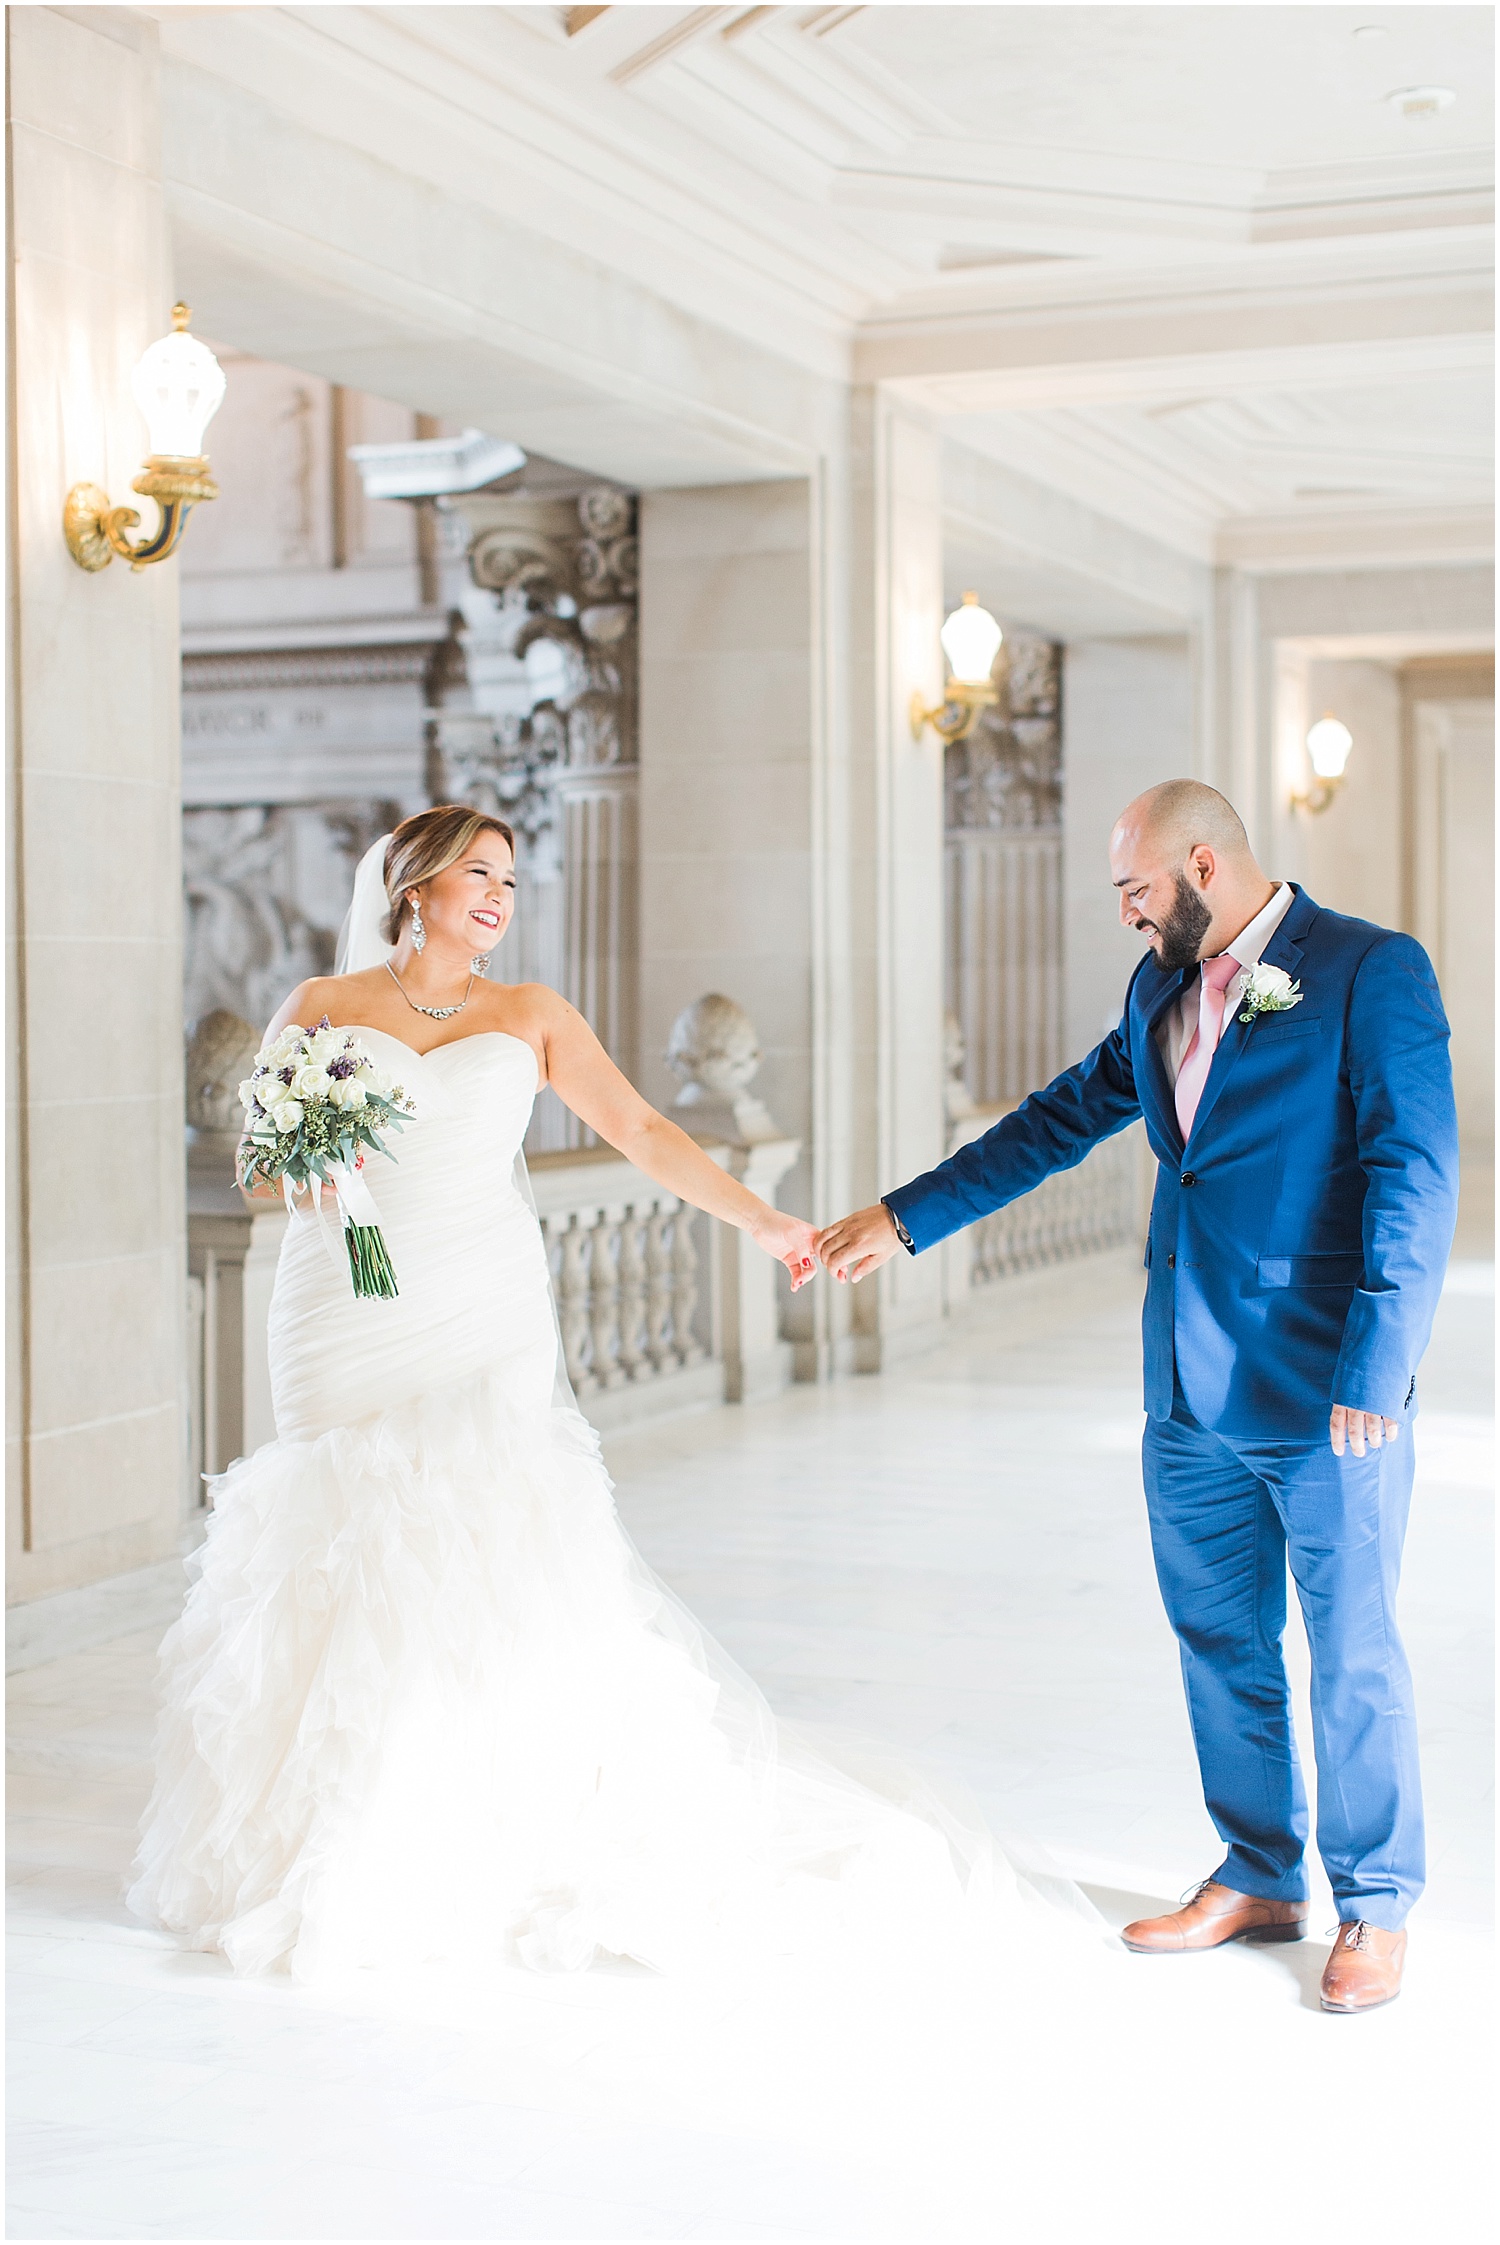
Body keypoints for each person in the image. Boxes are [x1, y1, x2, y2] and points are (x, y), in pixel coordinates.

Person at [130, 805, 1071, 1984]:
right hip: (341, 1308)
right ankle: (341, 1815)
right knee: (342, 1529)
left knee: (488, 1522)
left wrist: (767, 1220)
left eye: (511, 879)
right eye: (476, 873)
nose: (497, 895)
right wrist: (313, 1158)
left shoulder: (531, 1016)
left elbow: (639, 1128)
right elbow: (255, 1165)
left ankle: (489, 1811)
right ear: (412, 886)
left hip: (479, 1306)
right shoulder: (319, 1008)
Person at [818, 780, 1458, 2014]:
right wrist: (906, 1217)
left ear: (1202, 865)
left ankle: (1374, 1904)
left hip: (1330, 1389)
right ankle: (1262, 1873)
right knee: (1220, 1642)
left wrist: (1379, 1366)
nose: (1126, 916)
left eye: (1135, 891)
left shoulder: (1373, 971)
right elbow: (1059, 1119)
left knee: (1352, 1655)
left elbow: (1414, 1172)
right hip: (1186, 1387)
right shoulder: (1160, 981)